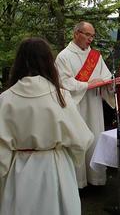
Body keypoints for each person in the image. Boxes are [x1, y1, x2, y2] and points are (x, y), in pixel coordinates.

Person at [0, 38, 93, 215]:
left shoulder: (6, 99)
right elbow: (82, 139)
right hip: (55, 168)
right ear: (49, 62)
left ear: (19, 62)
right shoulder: (61, 97)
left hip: (19, 172)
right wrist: (73, 157)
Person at [55, 22, 115, 188]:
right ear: (76, 34)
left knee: (95, 139)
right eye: (87, 35)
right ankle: (78, 182)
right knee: (78, 142)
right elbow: (63, 82)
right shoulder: (64, 56)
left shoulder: (96, 56)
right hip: (76, 107)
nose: (91, 39)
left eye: (92, 35)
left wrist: (109, 84)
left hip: (94, 105)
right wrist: (88, 84)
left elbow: (106, 77)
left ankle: (95, 178)